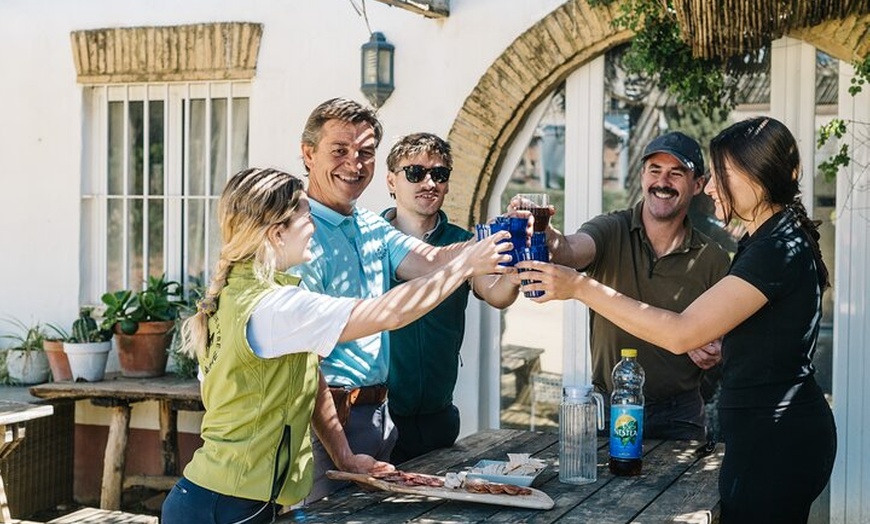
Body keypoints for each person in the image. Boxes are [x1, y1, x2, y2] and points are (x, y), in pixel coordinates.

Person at [517, 117, 837, 523]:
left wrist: (580, 288)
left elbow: (680, 332)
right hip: (767, 434)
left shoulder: (775, 246)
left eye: (721, 175)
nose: (712, 187)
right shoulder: (767, 238)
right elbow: (766, 335)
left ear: (757, 177)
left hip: (776, 441)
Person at [161, 167, 511, 524]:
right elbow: (389, 313)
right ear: (277, 233)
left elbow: (309, 381)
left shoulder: (245, 296)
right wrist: (463, 265)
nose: (314, 225)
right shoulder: (275, 308)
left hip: (221, 499)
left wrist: (345, 457)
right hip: (226, 506)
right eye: (305, 215)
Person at [291, 99, 518, 499]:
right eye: (340, 151)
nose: (354, 163)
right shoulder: (297, 231)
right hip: (326, 424)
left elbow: (430, 260)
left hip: (379, 418)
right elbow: (304, 363)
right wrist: (341, 452)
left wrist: (501, 238)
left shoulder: (367, 224)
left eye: (365, 153)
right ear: (308, 154)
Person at [512, 131, 731, 440]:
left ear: (697, 184)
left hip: (679, 415)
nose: (662, 182)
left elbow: (726, 342)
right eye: (654, 170)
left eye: (676, 173)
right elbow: (568, 250)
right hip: (609, 406)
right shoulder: (611, 228)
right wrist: (540, 231)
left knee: (681, 489)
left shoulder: (713, 259)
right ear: (642, 175)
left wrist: (718, 350)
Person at [380, 132, 518, 464]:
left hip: (438, 418)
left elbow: (495, 294)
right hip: (379, 418)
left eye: (439, 174)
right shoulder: (371, 239)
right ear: (391, 181)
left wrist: (517, 270)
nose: (429, 182)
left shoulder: (463, 241)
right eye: (415, 173)